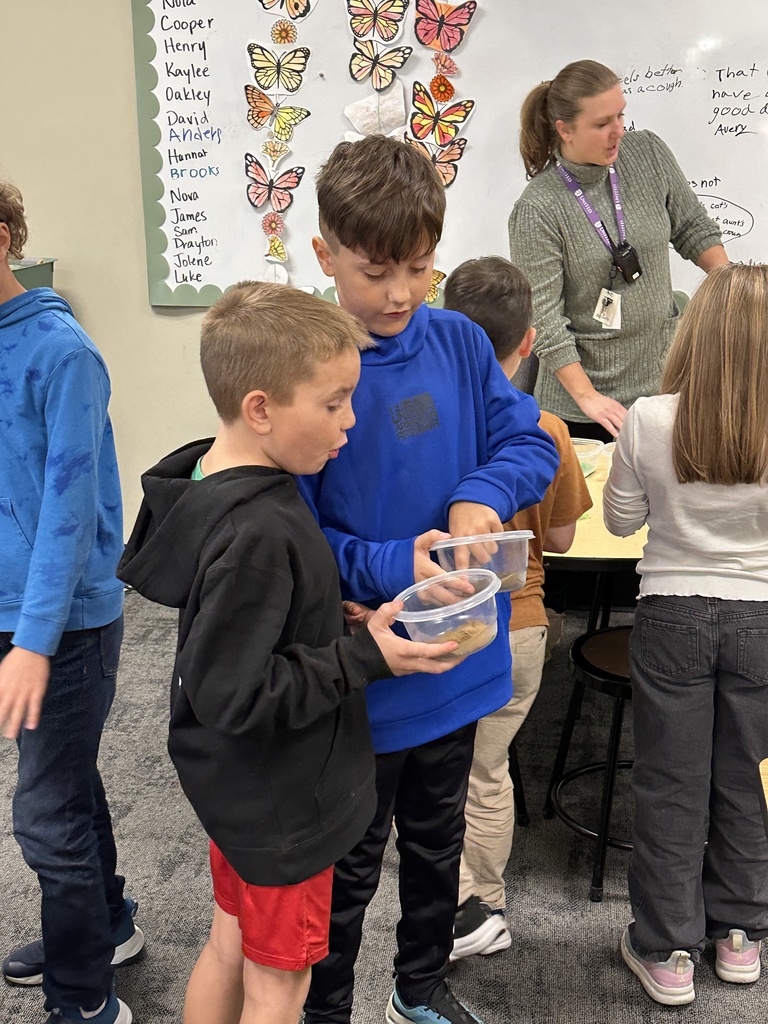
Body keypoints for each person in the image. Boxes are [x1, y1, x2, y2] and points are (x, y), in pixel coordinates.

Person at [116, 281, 461, 1024]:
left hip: (240, 797)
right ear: (262, 409)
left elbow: (242, 625)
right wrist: (363, 657)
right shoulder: (264, 530)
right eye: (333, 403)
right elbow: (233, 692)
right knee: (281, 986)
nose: (350, 421)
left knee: (228, 946)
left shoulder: (216, 489)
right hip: (281, 808)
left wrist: (332, 617)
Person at [299, 136, 560, 1024]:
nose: (402, 294)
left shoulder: (453, 340)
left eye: (419, 267)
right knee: (349, 861)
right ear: (324, 253)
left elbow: (529, 441)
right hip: (367, 669)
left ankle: (418, 989)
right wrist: (386, 561)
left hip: (459, 655)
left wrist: (481, 496)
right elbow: (288, 534)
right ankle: (326, 1007)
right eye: (376, 271)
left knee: (438, 842)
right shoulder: (305, 365)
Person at [603, 263, 768, 1006]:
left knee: (671, 785)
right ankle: (738, 936)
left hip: (671, 612)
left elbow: (621, 522)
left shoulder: (649, 416)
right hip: (762, 615)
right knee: (748, 780)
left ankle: (666, 949)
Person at [0, 182, 142, 1024]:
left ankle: (87, 1001)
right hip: (12, 614)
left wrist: (32, 642)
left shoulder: (64, 355)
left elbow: (65, 511)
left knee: (44, 817)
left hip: (64, 625)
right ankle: (110, 922)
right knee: (67, 781)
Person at [442, 257, 592, 959]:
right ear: (528, 342)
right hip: (520, 620)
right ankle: (484, 903)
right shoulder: (547, 431)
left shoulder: (426, 423)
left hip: (439, 614)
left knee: (447, 762)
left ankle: (454, 894)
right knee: (487, 769)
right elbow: (560, 539)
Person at [509, 59, 728, 442]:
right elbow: (543, 320)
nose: (618, 132)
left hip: (663, 388)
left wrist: (736, 288)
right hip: (586, 412)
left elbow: (692, 227)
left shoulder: (648, 154)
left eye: (620, 115)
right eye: (601, 123)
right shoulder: (537, 209)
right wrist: (588, 398)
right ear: (565, 130)